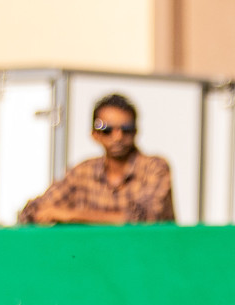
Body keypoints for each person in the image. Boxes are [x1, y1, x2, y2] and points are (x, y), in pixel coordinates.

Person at [18, 93, 174, 226]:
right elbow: (34, 211)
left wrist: (71, 215)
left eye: (125, 129)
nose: (117, 136)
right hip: (95, 252)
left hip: (144, 251)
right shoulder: (83, 172)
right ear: (95, 134)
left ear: (135, 131)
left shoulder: (154, 168)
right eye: (107, 130)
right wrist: (45, 213)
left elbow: (146, 217)